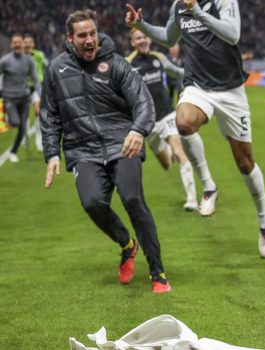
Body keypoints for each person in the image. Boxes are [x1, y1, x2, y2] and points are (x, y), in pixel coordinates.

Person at [126, 0, 265, 258]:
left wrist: (197, 12)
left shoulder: (223, 1)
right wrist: (142, 25)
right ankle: (208, 187)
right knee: (183, 123)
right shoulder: (178, 6)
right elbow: (169, 36)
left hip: (230, 90)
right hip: (198, 86)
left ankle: (264, 221)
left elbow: (233, 34)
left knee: (245, 163)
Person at [41, 9, 171, 293]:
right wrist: (52, 154)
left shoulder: (117, 63)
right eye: (82, 35)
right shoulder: (56, 70)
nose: (89, 40)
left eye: (92, 34)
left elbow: (143, 102)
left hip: (122, 142)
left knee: (133, 198)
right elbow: (50, 115)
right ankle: (127, 245)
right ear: (70, 38)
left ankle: (157, 271)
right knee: (91, 203)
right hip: (82, 149)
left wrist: (137, 130)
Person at [127, 28, 198, 211]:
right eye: (138, 38)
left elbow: (177, 72)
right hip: (147, 122)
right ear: (132, 42)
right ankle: (167, 148)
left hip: (167, 113)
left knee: (179, 151)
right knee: (166, 164)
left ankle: (192, 199)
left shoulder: (159, 58)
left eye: (145, 37)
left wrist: (195, 78)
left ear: (149, 39)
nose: (142, 40)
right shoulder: (128, 64)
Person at [0, 33, 39, 163]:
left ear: (23, 44)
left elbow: (35, 80)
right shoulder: (5, 61)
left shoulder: (29, 61)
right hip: (9, 97)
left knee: (23, 128)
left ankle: (13, 152)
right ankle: (8, 117)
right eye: (15, 42)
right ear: (11, 45)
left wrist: (41, 94)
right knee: (15, 122)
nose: (17, 44)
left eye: (19, 42)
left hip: (24, 98)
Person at [23, 34, 48, 151]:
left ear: (33, 44)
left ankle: (39, 141)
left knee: (38, 113)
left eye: (29, 42)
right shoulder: (19, 56)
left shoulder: (39, 55)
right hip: (23, 89)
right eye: (26, 42)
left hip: (37, 88)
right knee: (24, 115)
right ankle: (25, 138)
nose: (27, 44)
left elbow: (48, 66)